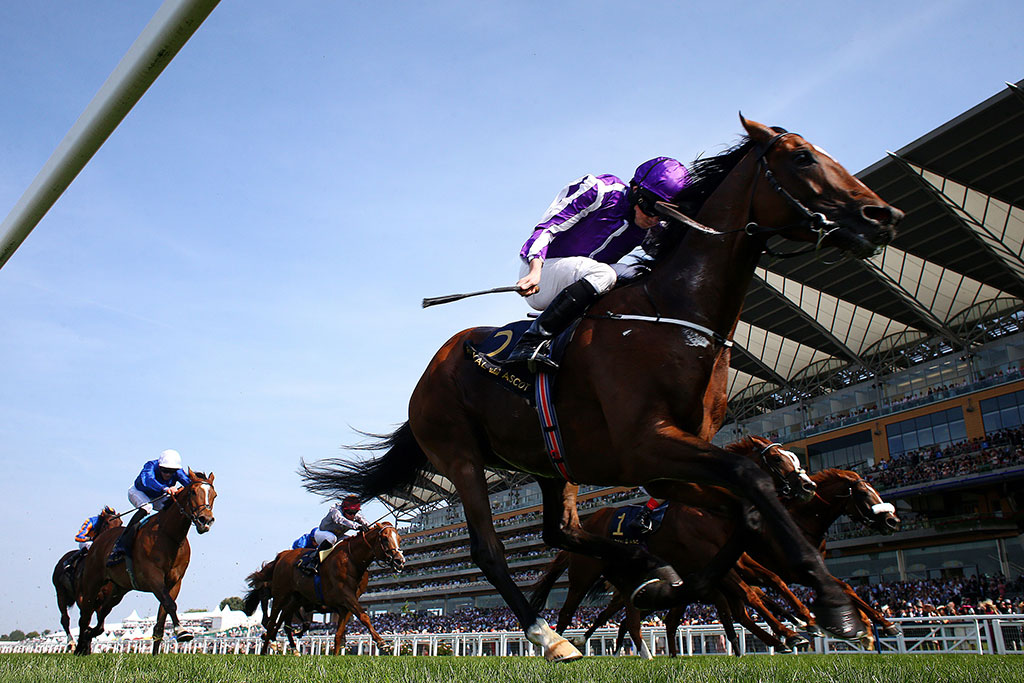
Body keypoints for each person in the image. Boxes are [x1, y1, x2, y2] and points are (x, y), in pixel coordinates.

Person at [504, 157, 691, 372]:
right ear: (636, 189)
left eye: (662, 213)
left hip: (588, 278)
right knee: (604, 273)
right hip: (544, 274)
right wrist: (535, 270)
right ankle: (531, 342)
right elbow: (547, 229)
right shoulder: (598, 190)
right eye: (650, 208)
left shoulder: (652, 225)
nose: (654, 219)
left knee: (646, 275)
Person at [107, 449, 192, 565]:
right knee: (147, 508)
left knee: (172, 507)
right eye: (164, 470)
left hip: (158, 495)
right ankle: (121, 544)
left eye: (171, 471)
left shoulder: (178, 471)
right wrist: (166, 489)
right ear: (159, 466)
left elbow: (190, 484)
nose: (168, 474)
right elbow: (147, 480)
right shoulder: (150, 466)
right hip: (139, 492)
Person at [297, 495, 371, 575]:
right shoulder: (335, 512)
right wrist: (357, 526)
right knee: (332, 538)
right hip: (321, 533)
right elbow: (341, 520)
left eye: (355, 512)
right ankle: (313, 561)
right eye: (350, 513)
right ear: (344, 509)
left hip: (338, 536)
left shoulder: (354, 516)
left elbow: (365, 522)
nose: (352, 516)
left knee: (351, 540)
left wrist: (371, 528)